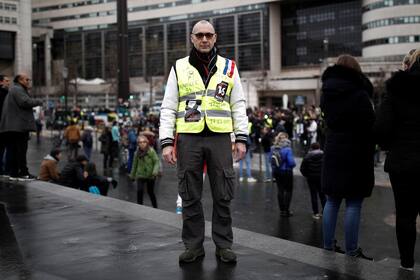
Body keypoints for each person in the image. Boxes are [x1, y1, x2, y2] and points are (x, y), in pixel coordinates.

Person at [159, 20, 248, 263]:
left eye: (209, 35)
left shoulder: (229, 68)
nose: (204, 39)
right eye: (200, 35)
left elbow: (238, 104)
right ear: (192, 38)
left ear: (215, 37)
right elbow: (167, 107)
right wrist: (167, 142)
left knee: (223, 194)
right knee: (189, 195)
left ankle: (223, 245)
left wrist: (241, 138)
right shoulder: (178, 67)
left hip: (220, 138)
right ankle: (194, 246)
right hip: (189, 139)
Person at [320, 55, 375, 260]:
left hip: (334, 149)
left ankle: (327, 246)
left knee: (332, 201)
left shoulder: (326, 92)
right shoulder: (360, 94)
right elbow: (369, 123)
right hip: (356, 151)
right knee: (353, 203)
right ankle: (351, 250)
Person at [374, 49, 420, 271]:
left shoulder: (395, 92)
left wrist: (390, 144)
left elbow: (382, 129)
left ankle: (407, 264)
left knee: (405, 214)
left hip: (403, 161)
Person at [0, 73, 42, 181]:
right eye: (27, 80)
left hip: (14, 126)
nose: (29, 81)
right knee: (21, 150)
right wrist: (39, 101)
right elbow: (25, 102)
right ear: (20, 80)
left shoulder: (15, 90)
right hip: (18, 126)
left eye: (29, 79)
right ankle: (23, 173)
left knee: (14, 151)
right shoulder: (18, 89)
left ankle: (14, 173)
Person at [129, 135, 159, 208]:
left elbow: (156, 162)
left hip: (150, 175)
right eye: (140, 142)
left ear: (147, 143)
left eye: (144, 142)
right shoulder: (137, 153)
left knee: (150, 192)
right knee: (139, 191)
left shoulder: (151, 151)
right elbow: (134, 164)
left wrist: (155, 172)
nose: (142, 144)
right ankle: (140, 207)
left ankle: (155, 207)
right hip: (140, 175)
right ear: (138, 144)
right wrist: (132, 175)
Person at [270, 132, 296, 217]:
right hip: (287, 171)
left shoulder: (273, 148)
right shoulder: (288, 149)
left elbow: (270, 160)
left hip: (277, 172)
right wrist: (293, 165)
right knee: (288, 191)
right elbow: (291, 162)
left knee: (280, 190)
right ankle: (286, 210)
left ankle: (282, 210)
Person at [300, 142, 326, 219]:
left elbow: (302, 169)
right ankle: (325, 211)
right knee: (322, 195)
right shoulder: (324, 155)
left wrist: (307, 175)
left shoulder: (307, 156)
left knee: (313, 195)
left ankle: (316, 213)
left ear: (311, 148)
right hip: (321, 178)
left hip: (311, 178)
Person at [0, 74, 10, 177]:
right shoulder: (5, 94)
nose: (8, 82)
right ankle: (4, 170)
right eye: (6, 81)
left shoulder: (7, 93)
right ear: (1, 82)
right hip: (4, 126)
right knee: (4, 148)